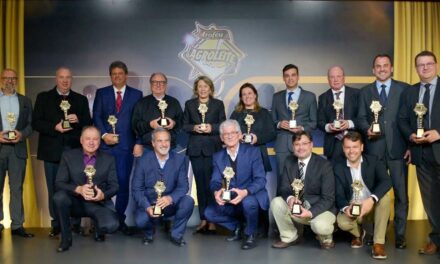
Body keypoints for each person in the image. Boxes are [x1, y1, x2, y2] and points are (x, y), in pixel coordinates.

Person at [357, 54, 410, 248]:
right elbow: (361, 117)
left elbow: (410, 120)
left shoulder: (404, 89)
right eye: (378, 66)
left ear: (392, 68)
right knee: (373, 193)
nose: (382, 69)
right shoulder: (365, 92)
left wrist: (411, 146)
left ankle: (400, 234)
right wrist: (366, 128)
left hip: (398, 150)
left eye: (385, 65)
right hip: (374, 151)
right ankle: (374, 233)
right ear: (373, 70)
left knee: (401, 195)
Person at [32, 67, 92, 236]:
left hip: (74, 153)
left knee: (75, 188)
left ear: (71, 79)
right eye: (61, 77)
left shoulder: (80, 100)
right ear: (56, 79)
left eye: (68, 78)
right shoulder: (43, 98)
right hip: (51, 152)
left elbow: (88, 124)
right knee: (54, 188)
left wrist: (79, 120)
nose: (65, 81)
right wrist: (54, 127)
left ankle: (74, 223)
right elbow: (36, 123)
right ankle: (57, 223)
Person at [93, 61, 142, 234]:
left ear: (126, 75)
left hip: (125, 148)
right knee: (102, 184)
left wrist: (138, 142)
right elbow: (97, 116)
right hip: (105, 148)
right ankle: (103, 220)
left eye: (120, 73)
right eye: (113, 74)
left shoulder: (137, 95)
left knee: (122, 184)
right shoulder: (102, 93)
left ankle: (119, 220)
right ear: (110, 76)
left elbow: (138, 121)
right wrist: (105, 135)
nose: (117, 76)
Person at [398, 50, 440, 255]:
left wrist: (439, 133)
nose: (425, 68)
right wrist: (411, 136)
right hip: (421, 154)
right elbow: (402, 120)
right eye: (420, 65)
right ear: (416, 68)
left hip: (439, 147)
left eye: (429, 64)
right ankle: (436, 239)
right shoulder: (410, 92)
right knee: (430, 201)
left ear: (436, 65)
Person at [205, 119, 269, 250]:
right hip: (231, 196)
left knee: (248, 202)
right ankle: (237, 227)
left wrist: (245, 192)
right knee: (209, 213)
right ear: (222, 138)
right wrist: (217, 191)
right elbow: (215, 181)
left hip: (250, 195)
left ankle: (250, 234)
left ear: (240, 135)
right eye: (225, 134)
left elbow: (261, 180)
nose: (229, 136)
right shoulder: (218, 156)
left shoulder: (253, 152)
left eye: (233, 133)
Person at [53, 126, 119, 252]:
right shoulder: (68, 156)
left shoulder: (108, 159)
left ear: (99, 142)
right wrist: (78, 189)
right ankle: (66, 239)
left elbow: (115, 186)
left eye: (95, 139)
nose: (91, 142)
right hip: (75, 202)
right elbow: (59, 183)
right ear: (81, 140)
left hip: (96, 203)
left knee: (111, 226)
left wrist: (102, 195)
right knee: (59, 197)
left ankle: (99, 229)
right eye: (88, 138)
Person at [271, 131, 336, 249]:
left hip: (320, 210)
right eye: (297, 144)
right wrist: (290, 199)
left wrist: (310, 212)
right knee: (276, 202)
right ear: (293, 146)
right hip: (299, 208)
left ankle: (325, 238)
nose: (300, 147)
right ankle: (289, 237)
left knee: (321, 226)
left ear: (311, 145)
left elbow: (328, 198)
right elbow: (284, 188)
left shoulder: (324, 165)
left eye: (304, 143)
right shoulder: (288, 162)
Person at [132, 128, 194, 246]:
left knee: (188, 201)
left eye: (167, 141)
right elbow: (137, 189)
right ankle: (149, 233)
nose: (164, 144)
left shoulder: (180, 159)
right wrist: (147, 207)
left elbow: (183, 186)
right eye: (160, 141)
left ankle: (176, 235)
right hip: (150, 203)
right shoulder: (142, 161)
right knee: (141, 221)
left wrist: (170, 198)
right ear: (153, 143)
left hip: (170, 204)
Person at [334, 131, 392, 259]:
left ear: (362, 147)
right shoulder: (337, 166)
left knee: (385, 198)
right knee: (342, 222)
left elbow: (387, 181)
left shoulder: (373, 160)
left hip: (371, 207)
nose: (351, 151)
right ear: (343, 149)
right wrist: (345, 208)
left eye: (355, 147)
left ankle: (378, 244)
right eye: (348, 147)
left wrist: (371, 200)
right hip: (352, 208)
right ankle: (358, 234)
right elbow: (338, 194)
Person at [229, 82, 275, 236]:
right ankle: (243, 225)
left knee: (259, 190)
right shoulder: (236, 114)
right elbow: (229, 133)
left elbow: (272, 133)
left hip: (259, 155)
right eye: (244, 94)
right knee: (240, 190)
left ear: (255, 95)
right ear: (241, 98)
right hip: (240, 157)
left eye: (250, 93)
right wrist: (238, 137)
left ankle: (263, 226)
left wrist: (257, 138)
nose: (247, 96)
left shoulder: (264, 113)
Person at [182, 75, 226, 234]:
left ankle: (212, 220)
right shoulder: (189, 104)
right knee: (200, 186)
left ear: (210, 89)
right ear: (196, 88)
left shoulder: (218, 104)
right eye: (200, 86)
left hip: (213, 149)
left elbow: (222, 124)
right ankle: (203, 219)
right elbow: (184, 125)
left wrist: (211, 128)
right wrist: (195, 128)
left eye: (205, 86)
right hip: (195, 150)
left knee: (212, 185)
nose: (202, 89)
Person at [271, 64, 317, 191]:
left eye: (293, 75)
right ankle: (280, 208)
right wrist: (280, 124)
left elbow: (314, 122)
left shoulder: (310, 96)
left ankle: (303, 208)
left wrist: (302, 128)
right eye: (287, 76)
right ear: (283, 78)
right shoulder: (276, 97)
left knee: (304, 178)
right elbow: (272, 121)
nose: (290, 78)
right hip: (282, 145)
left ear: (298, 77)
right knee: (282, 178)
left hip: (302, 142)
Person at [0, 68, 34, 238]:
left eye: (13, 78)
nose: (10, 81)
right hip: (0, 148)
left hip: (18, 150)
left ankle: (17, 225)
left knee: (16, 188)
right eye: (6, 78)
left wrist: (22, 134)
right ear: (1, 80)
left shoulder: (25, 101)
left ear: (17, 81)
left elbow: (30, 125)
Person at [132, 72, 183, 152]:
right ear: (150, 84)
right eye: (155, 82)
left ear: (166, 84)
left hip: (170, 148)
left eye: (162, 82)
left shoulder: (174, 102)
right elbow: (135, 125)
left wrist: (173, 123)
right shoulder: (141, 103)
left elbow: (182, 122)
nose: (158, 85)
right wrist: (150, 125)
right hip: (148, 148)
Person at [318, 66, 359, 162]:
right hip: (333, 144)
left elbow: (363, 117)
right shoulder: (323, 98)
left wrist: (349, 123)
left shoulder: (357, 94)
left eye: (338, 76)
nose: (335, 80)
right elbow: (320, 122)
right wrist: (328, 127)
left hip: (354, 142)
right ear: (328, 79)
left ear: (344, 77)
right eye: (332, 77)